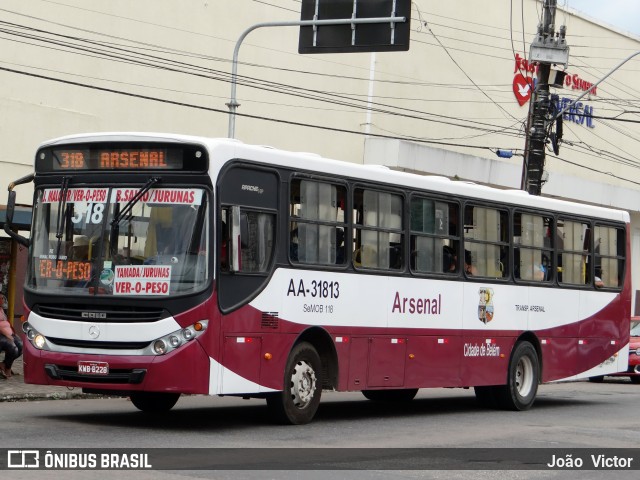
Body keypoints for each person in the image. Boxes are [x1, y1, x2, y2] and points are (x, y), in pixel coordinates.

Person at [0, 294, 22, 379]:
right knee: (13, 348)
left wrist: (12, 333)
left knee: (20, 345)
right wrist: (7, 335)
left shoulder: (2, 310)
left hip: (8, 334)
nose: (3, 300)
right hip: (2, 335)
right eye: (1, 298)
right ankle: (8, 368)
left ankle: (4, 364)